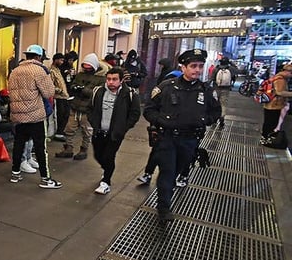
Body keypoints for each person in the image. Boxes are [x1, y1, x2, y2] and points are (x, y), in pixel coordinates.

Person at [144, 48, 221, 223]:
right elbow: (149, 110)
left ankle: (165, 198)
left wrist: (203, 120)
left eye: (200, 66)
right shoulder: (166, 87)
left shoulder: (205, 90)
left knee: (177, 171)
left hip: (190, 141)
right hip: (168, 139)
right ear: (183, 67)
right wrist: (162, 121)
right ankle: (164, 208)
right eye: (193, 66)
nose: (197, 70)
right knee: (167, 173)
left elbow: (216, 112)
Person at [7, 44, 61, 189]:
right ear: (38, 57)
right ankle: (45, 179)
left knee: (18, 144)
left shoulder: (15, 71)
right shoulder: (38, 70)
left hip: (18, 115)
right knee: (40, 147)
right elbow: (49, 92)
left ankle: (15, 173)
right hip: (35, 115)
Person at [89, 67, 141, 194]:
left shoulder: (129, 94)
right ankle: (107, 169)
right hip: (99, 131)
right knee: (98, 155)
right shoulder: (98, 91)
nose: (111, 82)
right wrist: (94, 123)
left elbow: (135, 113)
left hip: (115, 133)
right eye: (108, 79)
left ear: (121, 80)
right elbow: (90, 108)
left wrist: (124, 127)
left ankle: (106, 181)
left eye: (114, 79)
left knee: (109, 156)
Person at [56, 53, 106, 160]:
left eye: (89, 67)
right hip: (76, 105)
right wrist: (75, 87)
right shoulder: (80, 75)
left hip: (88, 108)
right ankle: (68, 148)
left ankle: (84, 150)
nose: (86, 69)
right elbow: (73, 84)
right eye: (85, 66)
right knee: (69, 129)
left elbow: (97, 93)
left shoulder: (101, 78)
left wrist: (83, 89)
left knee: (87, 131)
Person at [260, 62, 292, 141]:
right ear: (287, 72)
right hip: (274, 104)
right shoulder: (280, 79)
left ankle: (265, 137)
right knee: (271, 122)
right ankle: (266, 138)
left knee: (268, 122)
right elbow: (279, 92)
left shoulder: (277, 77)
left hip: (270, 104)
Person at [211, 57, 236, 128]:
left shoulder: (216, 69)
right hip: (226, 89)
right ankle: (222, 118)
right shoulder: (230, 69)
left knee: (215, 104)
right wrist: (232, 64)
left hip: (216, 88)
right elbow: (238, 71)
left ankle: (214, 119)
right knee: (223, 104)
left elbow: (212, 78)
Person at [50, 53, 70, 141]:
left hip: (64, 96)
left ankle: (61, 131)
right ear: (56, 60)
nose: (62, 62)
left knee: (66, 115)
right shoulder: (51, 71)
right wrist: (60, 91)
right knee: (60, 116)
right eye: (61, 60)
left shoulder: (58, 70)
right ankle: (59, 133)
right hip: (58, 97)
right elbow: (50, 85)